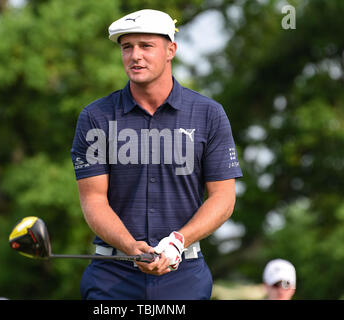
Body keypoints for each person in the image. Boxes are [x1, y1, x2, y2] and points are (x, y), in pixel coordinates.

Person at [71, 9, 242, 300]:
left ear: (170, 50)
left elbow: (223, 198)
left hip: (184, 275)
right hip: (113, 276)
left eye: (146, 46)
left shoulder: (208, 114)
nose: (135, 55)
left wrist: (179, 240)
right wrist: (129, 245)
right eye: (127, 47)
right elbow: (93, 199)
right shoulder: (96, 116)